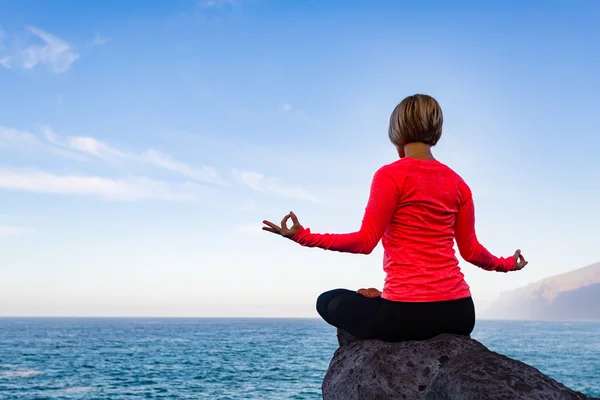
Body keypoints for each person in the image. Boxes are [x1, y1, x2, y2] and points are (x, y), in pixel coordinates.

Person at [262, 94, 528, 342]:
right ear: (436, 131)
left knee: (327, 300)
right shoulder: (459, 184)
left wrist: (302, 236)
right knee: (373, 300)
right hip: (459, 313)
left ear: (396, 133)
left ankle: (385, 305)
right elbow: (471, 252)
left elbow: (365, 242)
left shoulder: (390, 176)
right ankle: (387, 299)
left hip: (405, 316)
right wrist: (509, 264)